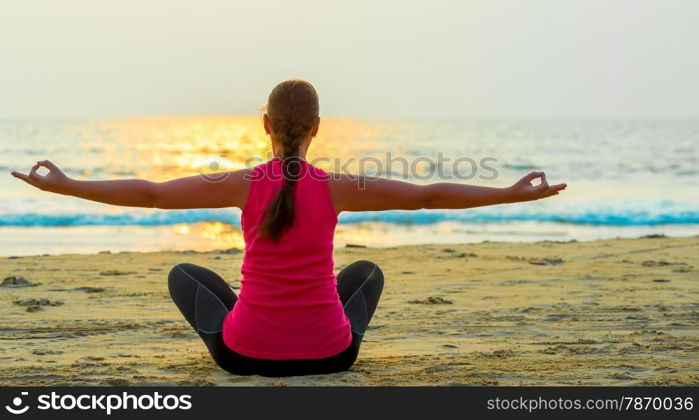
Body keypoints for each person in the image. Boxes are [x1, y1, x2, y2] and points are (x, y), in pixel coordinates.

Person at [10, 79, 567, 377]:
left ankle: (256, 333)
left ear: (265, 126)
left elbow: (152, 194)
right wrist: (509, 192)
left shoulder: (239, 182)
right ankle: (319, 334)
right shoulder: (339, 185)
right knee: (366, 272)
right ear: (318, 128)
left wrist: (67, 185)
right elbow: (427, 196)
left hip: (245, 356)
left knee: (186, 273)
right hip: (332, 357)